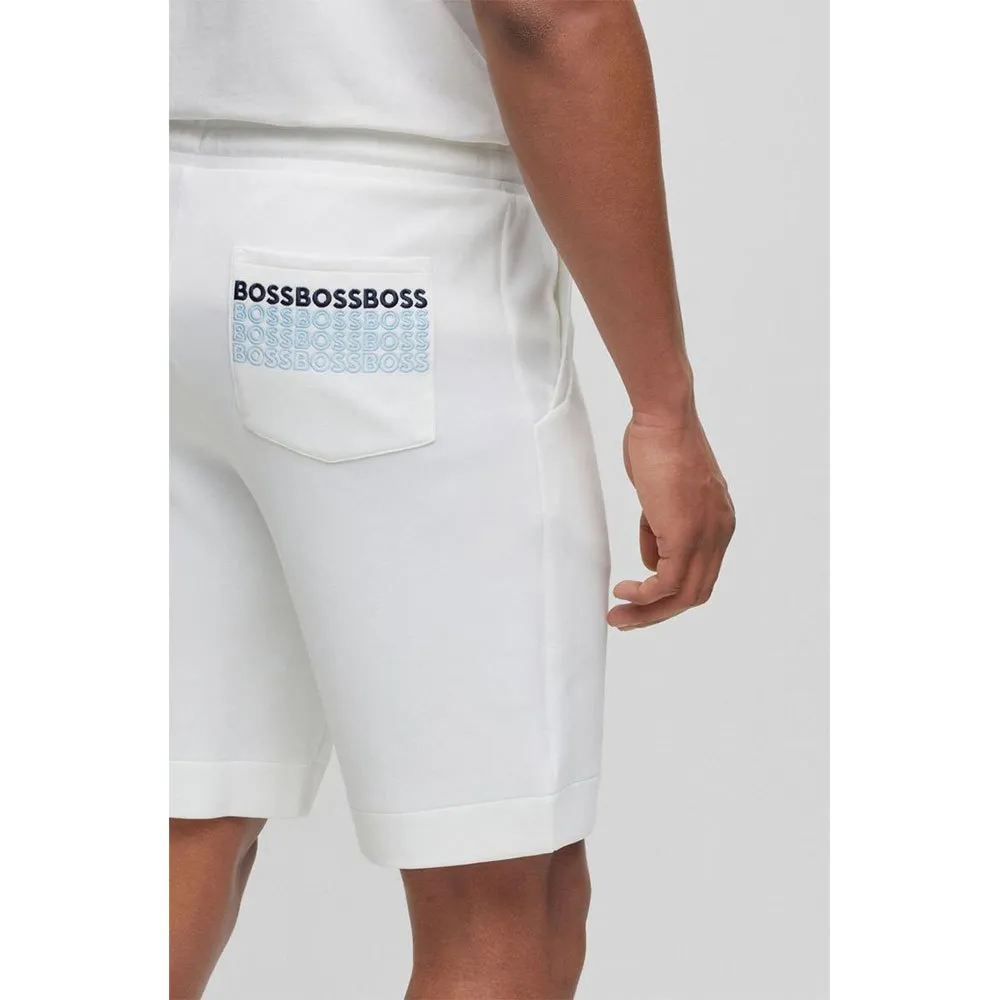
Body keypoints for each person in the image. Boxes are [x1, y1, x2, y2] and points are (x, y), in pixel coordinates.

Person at [169, 1, 735, 996]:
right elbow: (547, 14)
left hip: (167, 231)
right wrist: (662, 404)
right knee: (504, 889)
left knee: (182, 819)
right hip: (389, 269)